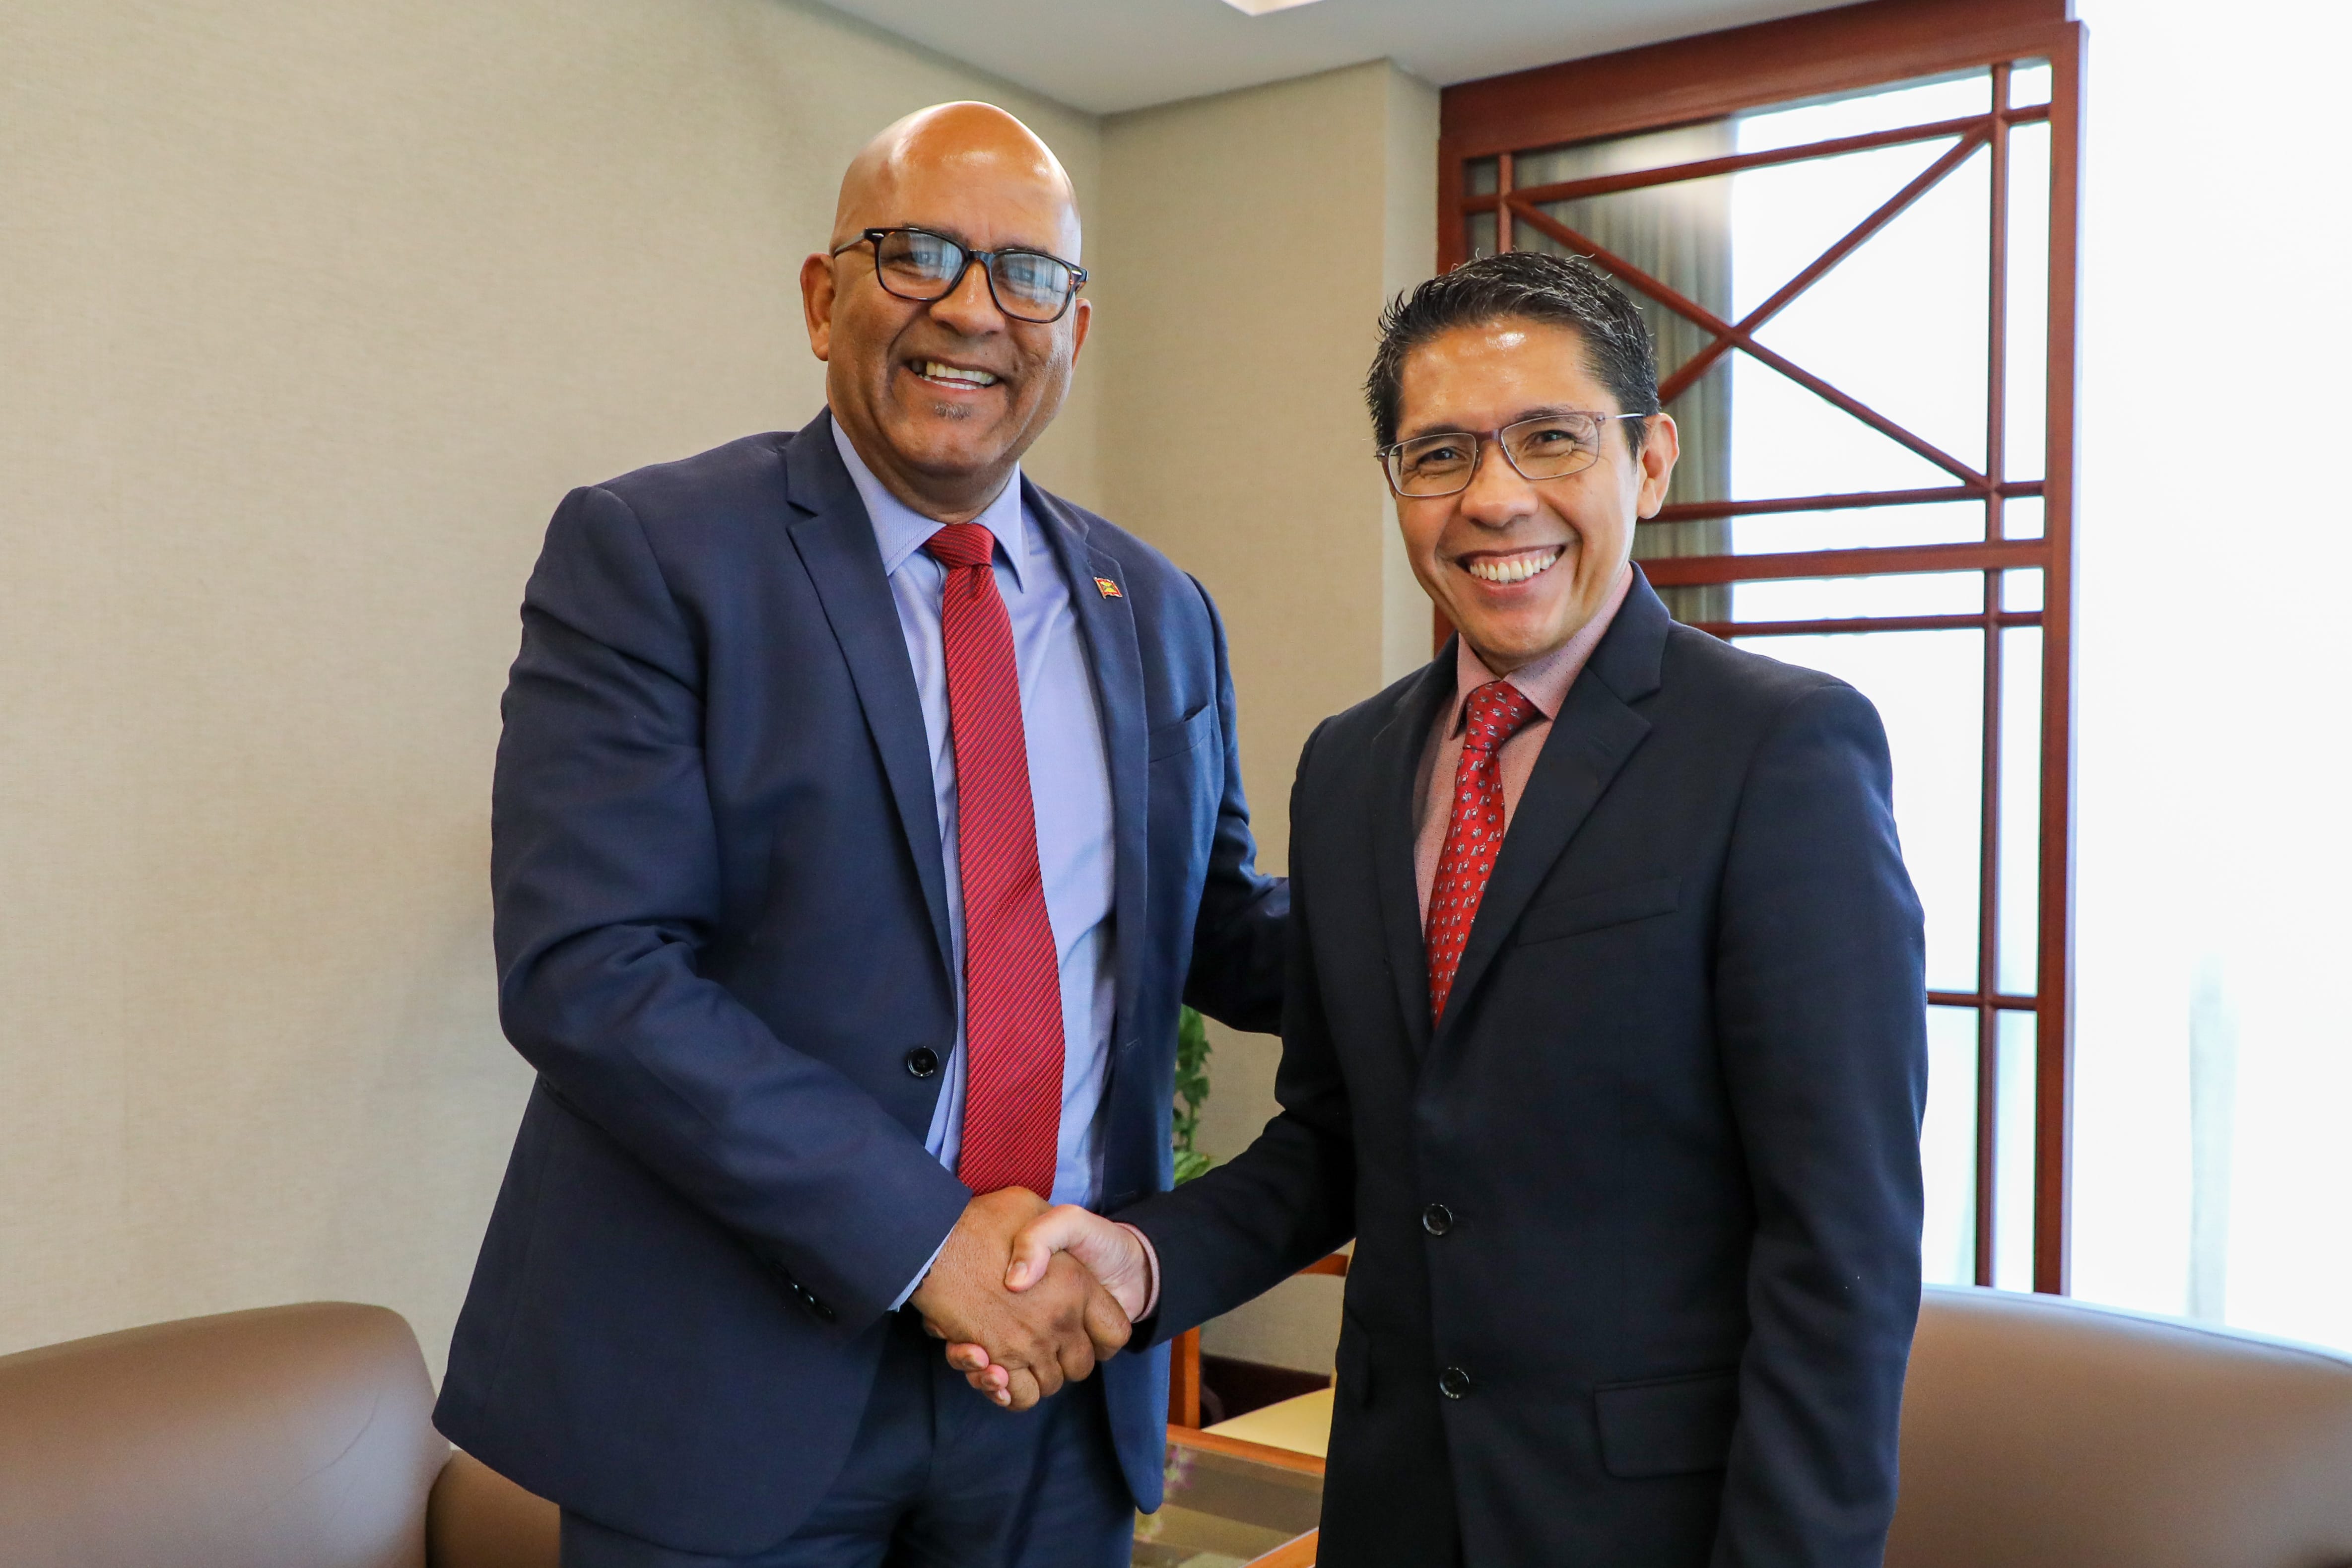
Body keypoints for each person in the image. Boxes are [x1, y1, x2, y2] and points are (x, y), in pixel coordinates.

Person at [959, 252, 1928, 1568]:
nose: (1494, 499)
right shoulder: (1352, 766)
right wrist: (1139, 1261)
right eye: (1439, 455)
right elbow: (1338, 1141)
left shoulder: (1777, 752)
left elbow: (1842, 1243)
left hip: (1650, 1522)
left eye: (1548, 440)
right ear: (1395, 487)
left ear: (1648, 462)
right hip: (1391, 1506)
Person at [433, 102, 1286, 1568]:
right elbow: (592, 969)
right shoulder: (651, 555)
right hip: (727, 1387)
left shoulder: (1157, 608)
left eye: (1025, 277)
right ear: (825, 295)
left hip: (1052, 1394)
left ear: (1073, 329)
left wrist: (1489, 908)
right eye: (918, 255)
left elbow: (1210, 927)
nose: (971, 309)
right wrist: (923, 1239)